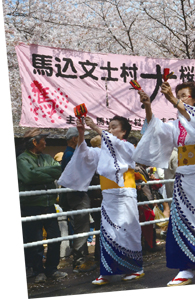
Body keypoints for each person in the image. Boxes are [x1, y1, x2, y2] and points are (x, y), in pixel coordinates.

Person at [134, 80, 195, 286]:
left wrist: (173, 100)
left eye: (184, 95)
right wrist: (148, 106)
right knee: (180, 221)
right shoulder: (175, 124)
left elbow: (194, 121)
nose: (181, 98)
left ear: (194, 98)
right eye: (179, 95)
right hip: (184, 175)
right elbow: (155, 129)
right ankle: (185, 268)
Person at [57, 116, 144, 285]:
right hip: (109, 196)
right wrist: (82, 133)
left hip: (125, 194)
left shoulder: (126, 146)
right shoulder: (101, 151)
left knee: (128, 230)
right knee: (107, 233)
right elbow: (84, 153)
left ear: (124, 131)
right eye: (108, 127)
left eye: (114, 127)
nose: (109, 130)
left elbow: (116, 144)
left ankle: (135, 268)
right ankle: (107, 271)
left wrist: (96, 128)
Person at [18, 129, 68, 283]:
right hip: (31, 206)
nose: (46, 143)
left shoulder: (47, 158)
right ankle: (38, 270)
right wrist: (45, 173)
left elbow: (58, 170)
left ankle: (52, 269)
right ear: (34, 142)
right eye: (44, 140)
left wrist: (38, 173)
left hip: (49, 205)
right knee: (37, 241)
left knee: (55, 238)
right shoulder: (22, 160)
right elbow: (28, 176)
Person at [60, 126, 96, 273]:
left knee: (81, 225)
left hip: (76, 193)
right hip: (77, 194)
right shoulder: (71, 155)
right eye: (80, 137)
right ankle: (79, 261)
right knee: (81, 226)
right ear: (74, 139)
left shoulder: (69, 153)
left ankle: (81, 259)